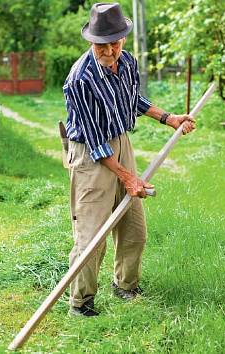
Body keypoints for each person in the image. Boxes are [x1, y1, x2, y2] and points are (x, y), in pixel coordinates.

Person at [63, 2, 195, 317]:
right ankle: (81, 303)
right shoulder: (80, 79)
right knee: (92, 237)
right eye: (101, 44)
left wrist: (169, 118)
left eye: (115, 43)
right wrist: (128, 177)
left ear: (123, 39)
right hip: (90, 155)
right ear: (90, 41)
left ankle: (126, 286)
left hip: (121, 143)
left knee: (135, 229)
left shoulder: (128, 61)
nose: (109, 50)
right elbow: (95, 142)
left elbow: (133, 100)